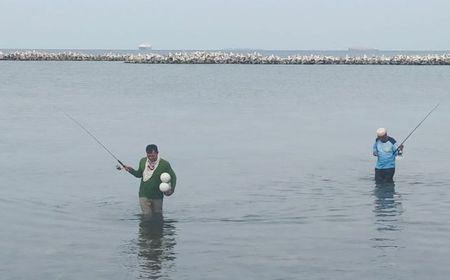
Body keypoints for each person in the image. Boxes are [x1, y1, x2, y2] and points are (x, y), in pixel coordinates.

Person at [121, 144, 177, 216]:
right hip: (144, 194)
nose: (151, 158)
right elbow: (139, 174)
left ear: (157, 153)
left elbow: (173, 177)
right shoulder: (142, 161)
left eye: (153, 156)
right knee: (147, 215)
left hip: (157, 195)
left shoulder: (164, 164)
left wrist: (171, 190)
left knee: (158, 215)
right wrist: (131, 170)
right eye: (149, 155)